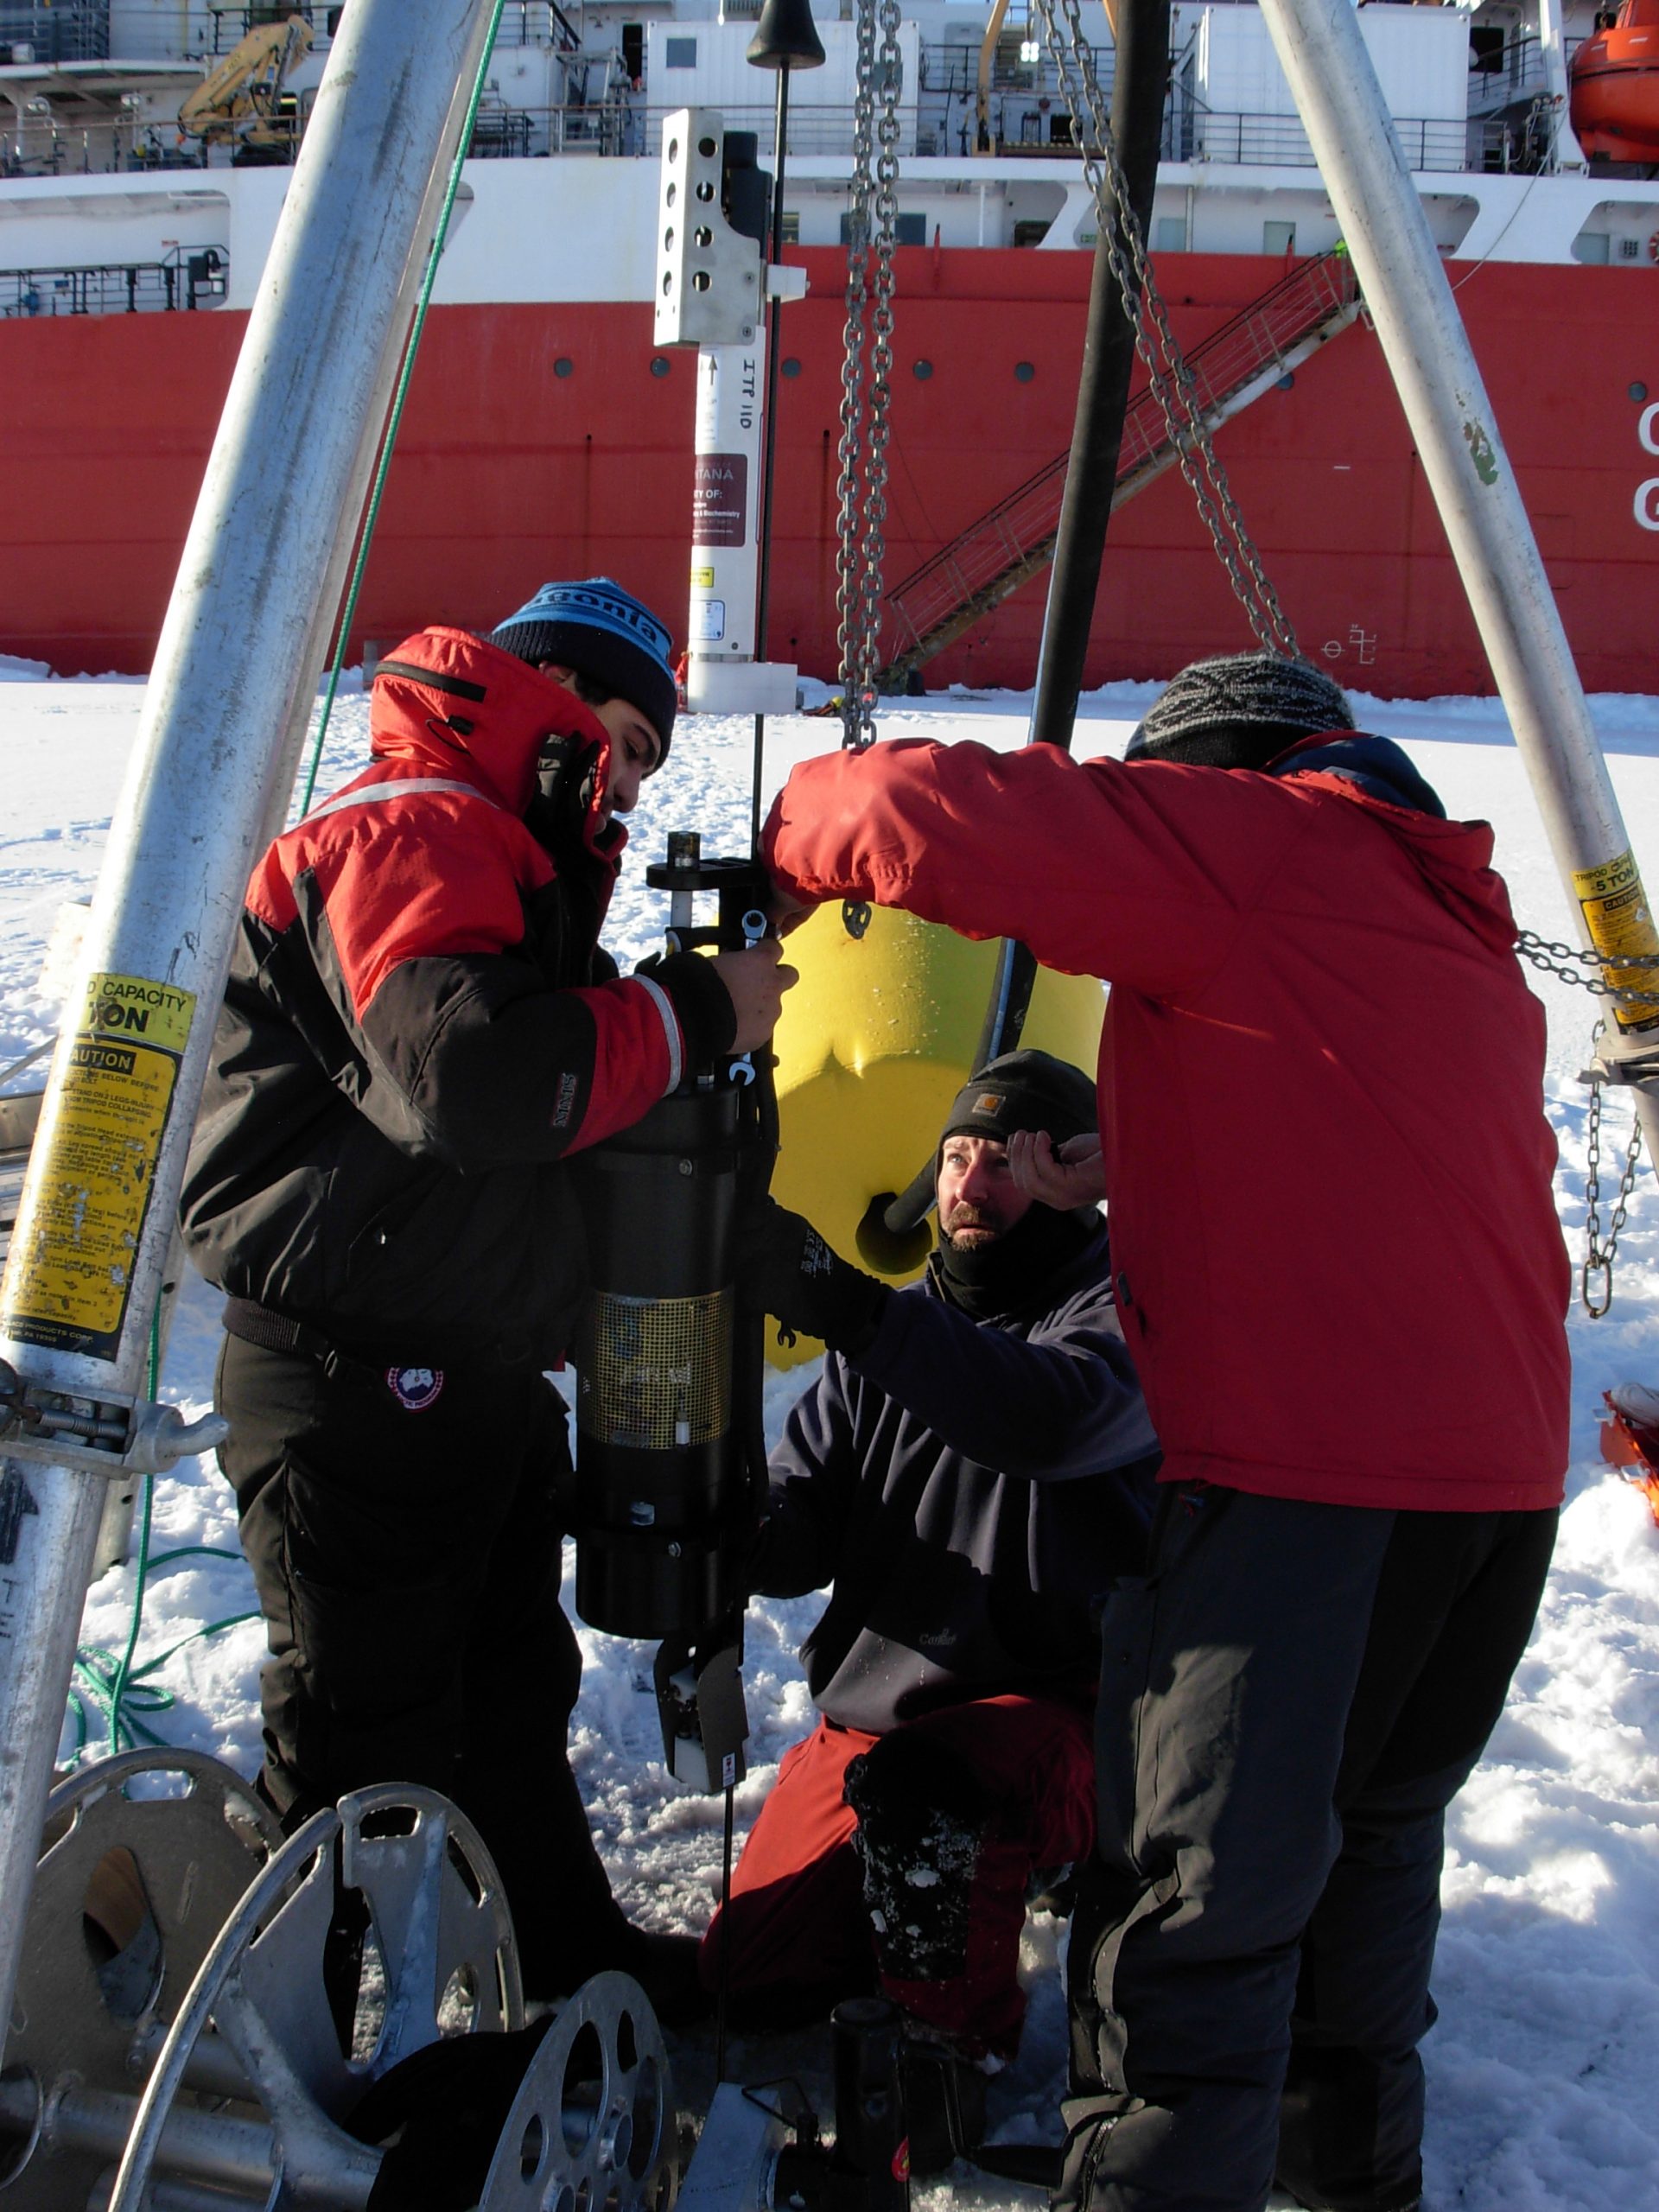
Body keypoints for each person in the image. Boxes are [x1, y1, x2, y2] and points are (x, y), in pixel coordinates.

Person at [758, 652, 1569, 2212]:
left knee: (1196, 1922)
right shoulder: (1454, 928)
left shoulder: (1265, 844)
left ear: (1224, 771)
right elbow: (1389, 1168)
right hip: (1496, 1496)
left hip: (1305, 1492)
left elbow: (933, 811)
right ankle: (1349, 2189)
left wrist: (795, 834)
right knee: (1366, 1873)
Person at [181, 576, 793, 2002]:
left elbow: (522, 1144)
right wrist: (698, 1015)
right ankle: (296, 2067)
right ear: (554, 701)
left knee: (507, 1707)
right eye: (624, 741)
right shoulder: (415, 826)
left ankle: (558, 1971)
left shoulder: (495, 852)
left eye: (645, 760)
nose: (627, 783)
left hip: (465, 1379)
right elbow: (480, 1087)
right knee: (358, 1743)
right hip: (353, 1389)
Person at [702, 1051, 1160, 2166]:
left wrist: (842, 1302)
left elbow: (1044, 1424)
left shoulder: (1133, 1315)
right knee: (752, 1976)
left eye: (1005, 1161)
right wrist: (696, 1504)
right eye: (956, 1157)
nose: (969, 1184)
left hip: (1056, 1715)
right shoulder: (889, 1337)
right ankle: (928, 1911)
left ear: (1075, 1180)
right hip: (885, 1716)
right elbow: (795, 1540)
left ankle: (947, 2053)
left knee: (931, 1800)